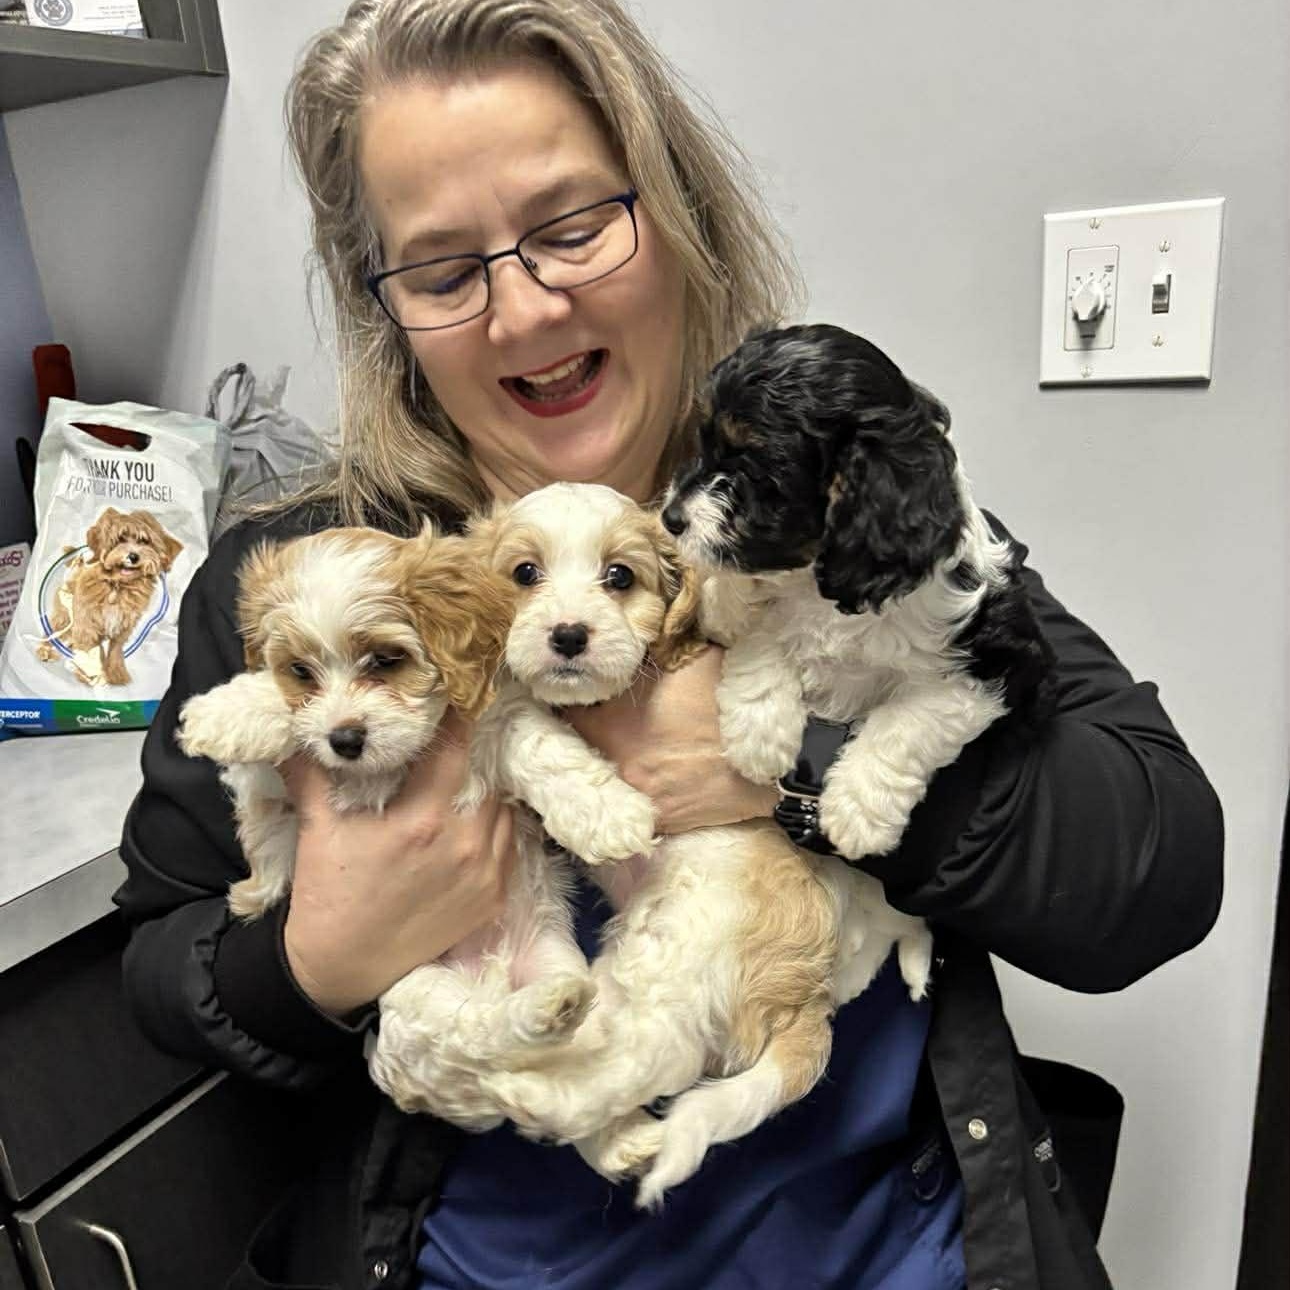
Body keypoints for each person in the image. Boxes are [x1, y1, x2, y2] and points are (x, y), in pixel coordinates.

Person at [113, 2, 1224, 1288]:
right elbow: (157, 963)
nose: (525, 312)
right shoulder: (321, 581)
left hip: (892, 1253)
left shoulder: (845, 515)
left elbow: (1160, 866)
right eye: (441, 269)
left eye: (573, 227)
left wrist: (795, 769)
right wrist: (308, 960)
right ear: (387, 312)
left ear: (676, 213)